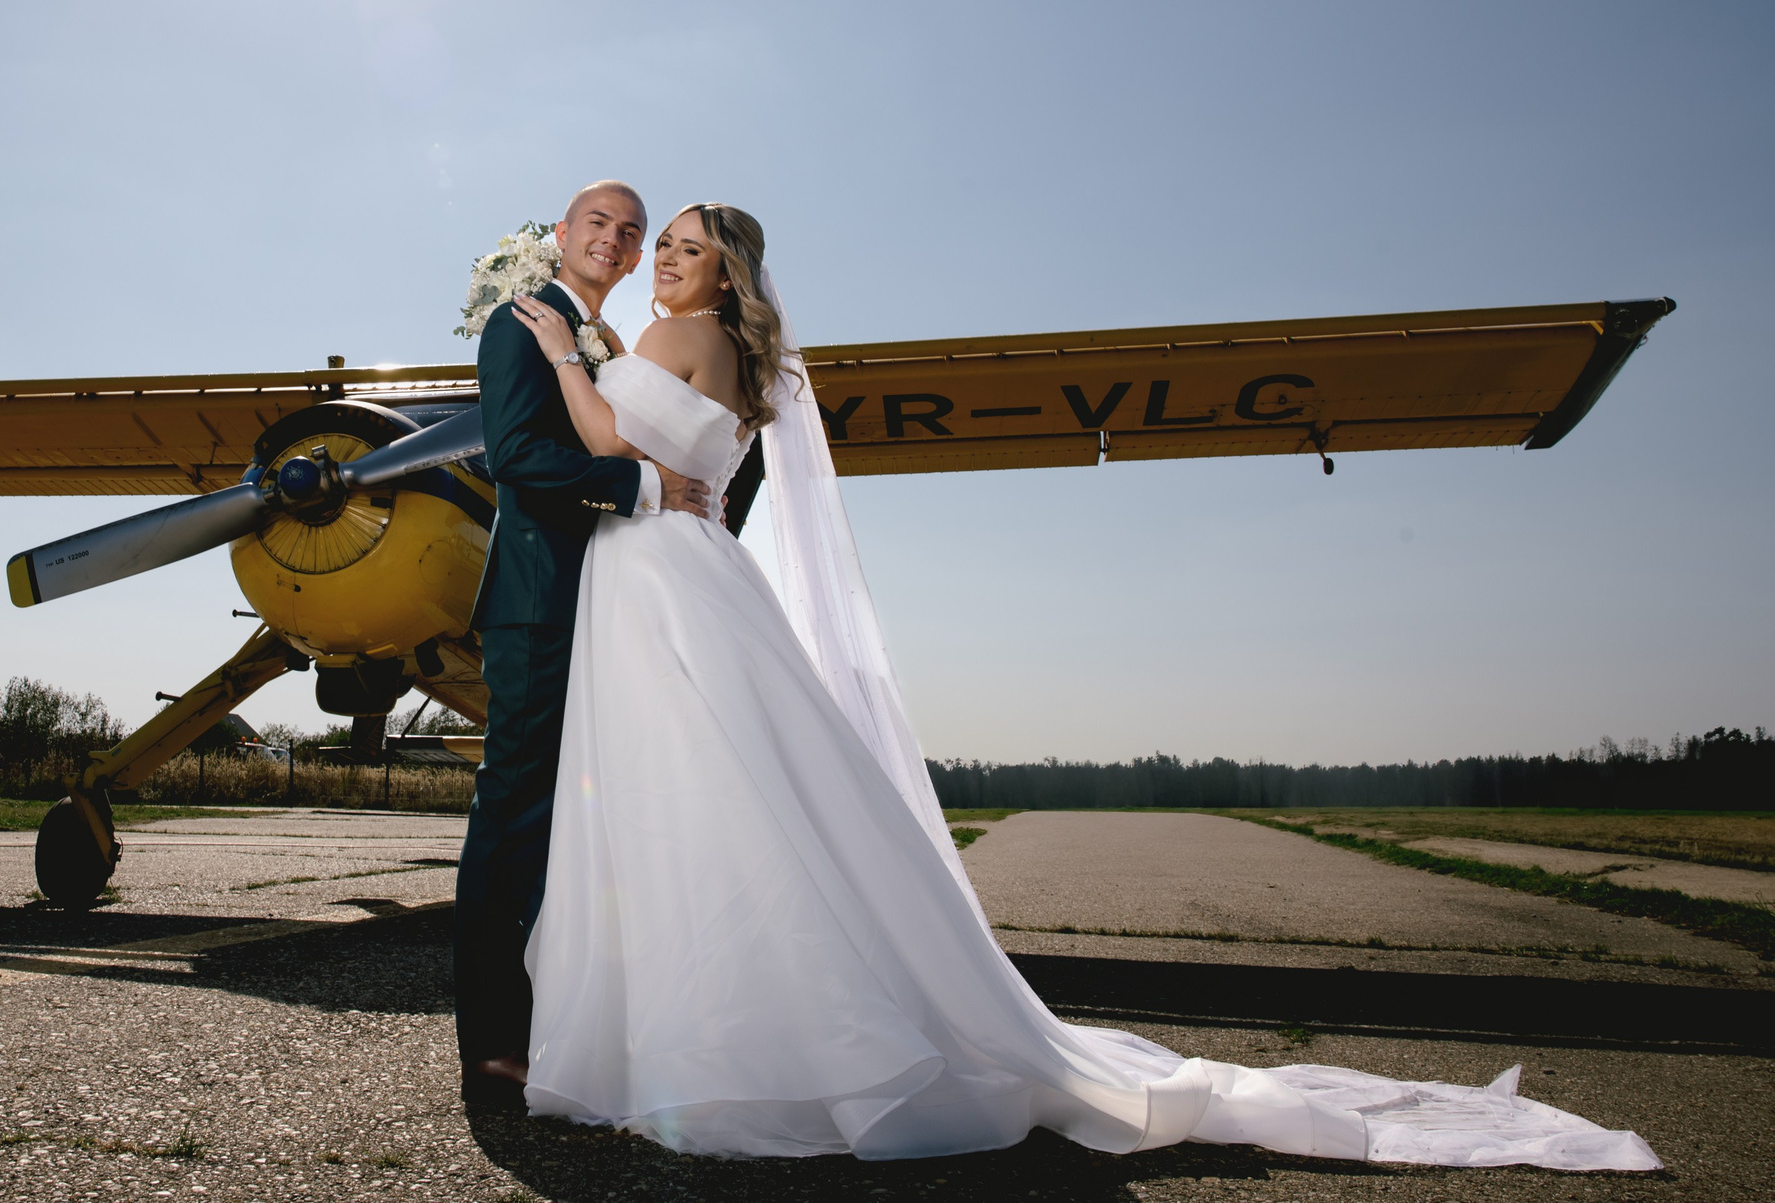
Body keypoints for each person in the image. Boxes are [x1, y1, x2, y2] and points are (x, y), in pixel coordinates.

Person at [503, 201, 1658, 1170]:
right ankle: (713, 1019)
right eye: (658, 246)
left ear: (726, 276)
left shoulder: (661, 345)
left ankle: (701, 1035)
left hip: (658, 578)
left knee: (684, 793)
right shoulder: (739, 361)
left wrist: (556, 341)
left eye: (686, 249)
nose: (664, 261)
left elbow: (604, 432)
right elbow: (665, 459)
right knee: (717, 795)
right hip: (680, 570)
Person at [452, 180, 718, 1108]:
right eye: (597, 223)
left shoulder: (607, 345)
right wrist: (645, 486)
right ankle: (490, 1045)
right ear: (561, 235)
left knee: (589, 825)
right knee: (516, 818)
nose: (616, 239)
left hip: (619, 606)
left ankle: (572, 1025)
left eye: (633, 232)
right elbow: (518, 456)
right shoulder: (520, 326)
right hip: (541, 606)